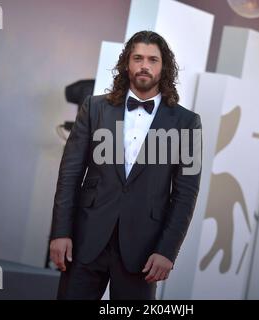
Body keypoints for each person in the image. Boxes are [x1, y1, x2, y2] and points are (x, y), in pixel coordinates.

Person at [49, 30, 202, 300]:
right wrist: (60, 232)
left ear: (163, 67)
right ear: (127, 63)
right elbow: (70, 174)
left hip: (144, 251)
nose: (145, 66)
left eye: (153, 60)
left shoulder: (187, 123)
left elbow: (185, 193)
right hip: (85, 240)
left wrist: (167, 250)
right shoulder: (94, 108)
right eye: (138, 58)